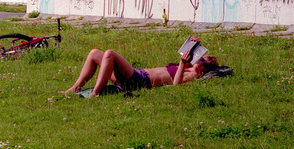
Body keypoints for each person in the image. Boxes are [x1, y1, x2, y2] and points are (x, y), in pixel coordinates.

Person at [60, 46, 219, 96]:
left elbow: (176, 85)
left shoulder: (191, 74)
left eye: (203, 61)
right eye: (201, 58)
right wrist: (193, 45)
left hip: (138, 80)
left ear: (204, 69)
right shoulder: (187, 66)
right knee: (95, 53)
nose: (200, 61)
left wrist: (182, 63)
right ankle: (75, 88)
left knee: (109, 54)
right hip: (135, 75)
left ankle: (95, 93)